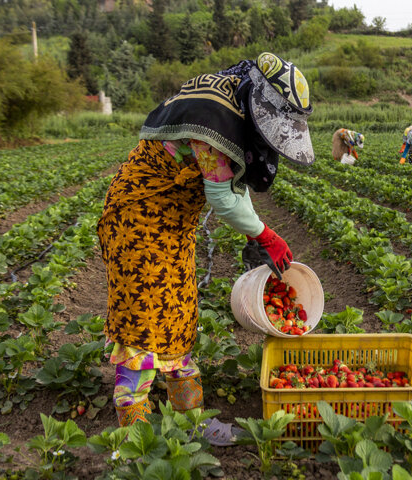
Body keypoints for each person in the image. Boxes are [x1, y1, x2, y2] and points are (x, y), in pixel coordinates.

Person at [96, 52, 314, 445]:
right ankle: (137, 437)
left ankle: (190, 420)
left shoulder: (226, 99)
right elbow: (223, 197)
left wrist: (256, 233)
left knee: (178, 314)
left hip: (171, 224)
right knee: (142, 326)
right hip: (139, 223)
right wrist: (265, 234)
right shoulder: (213, 117)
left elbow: (232, 188)